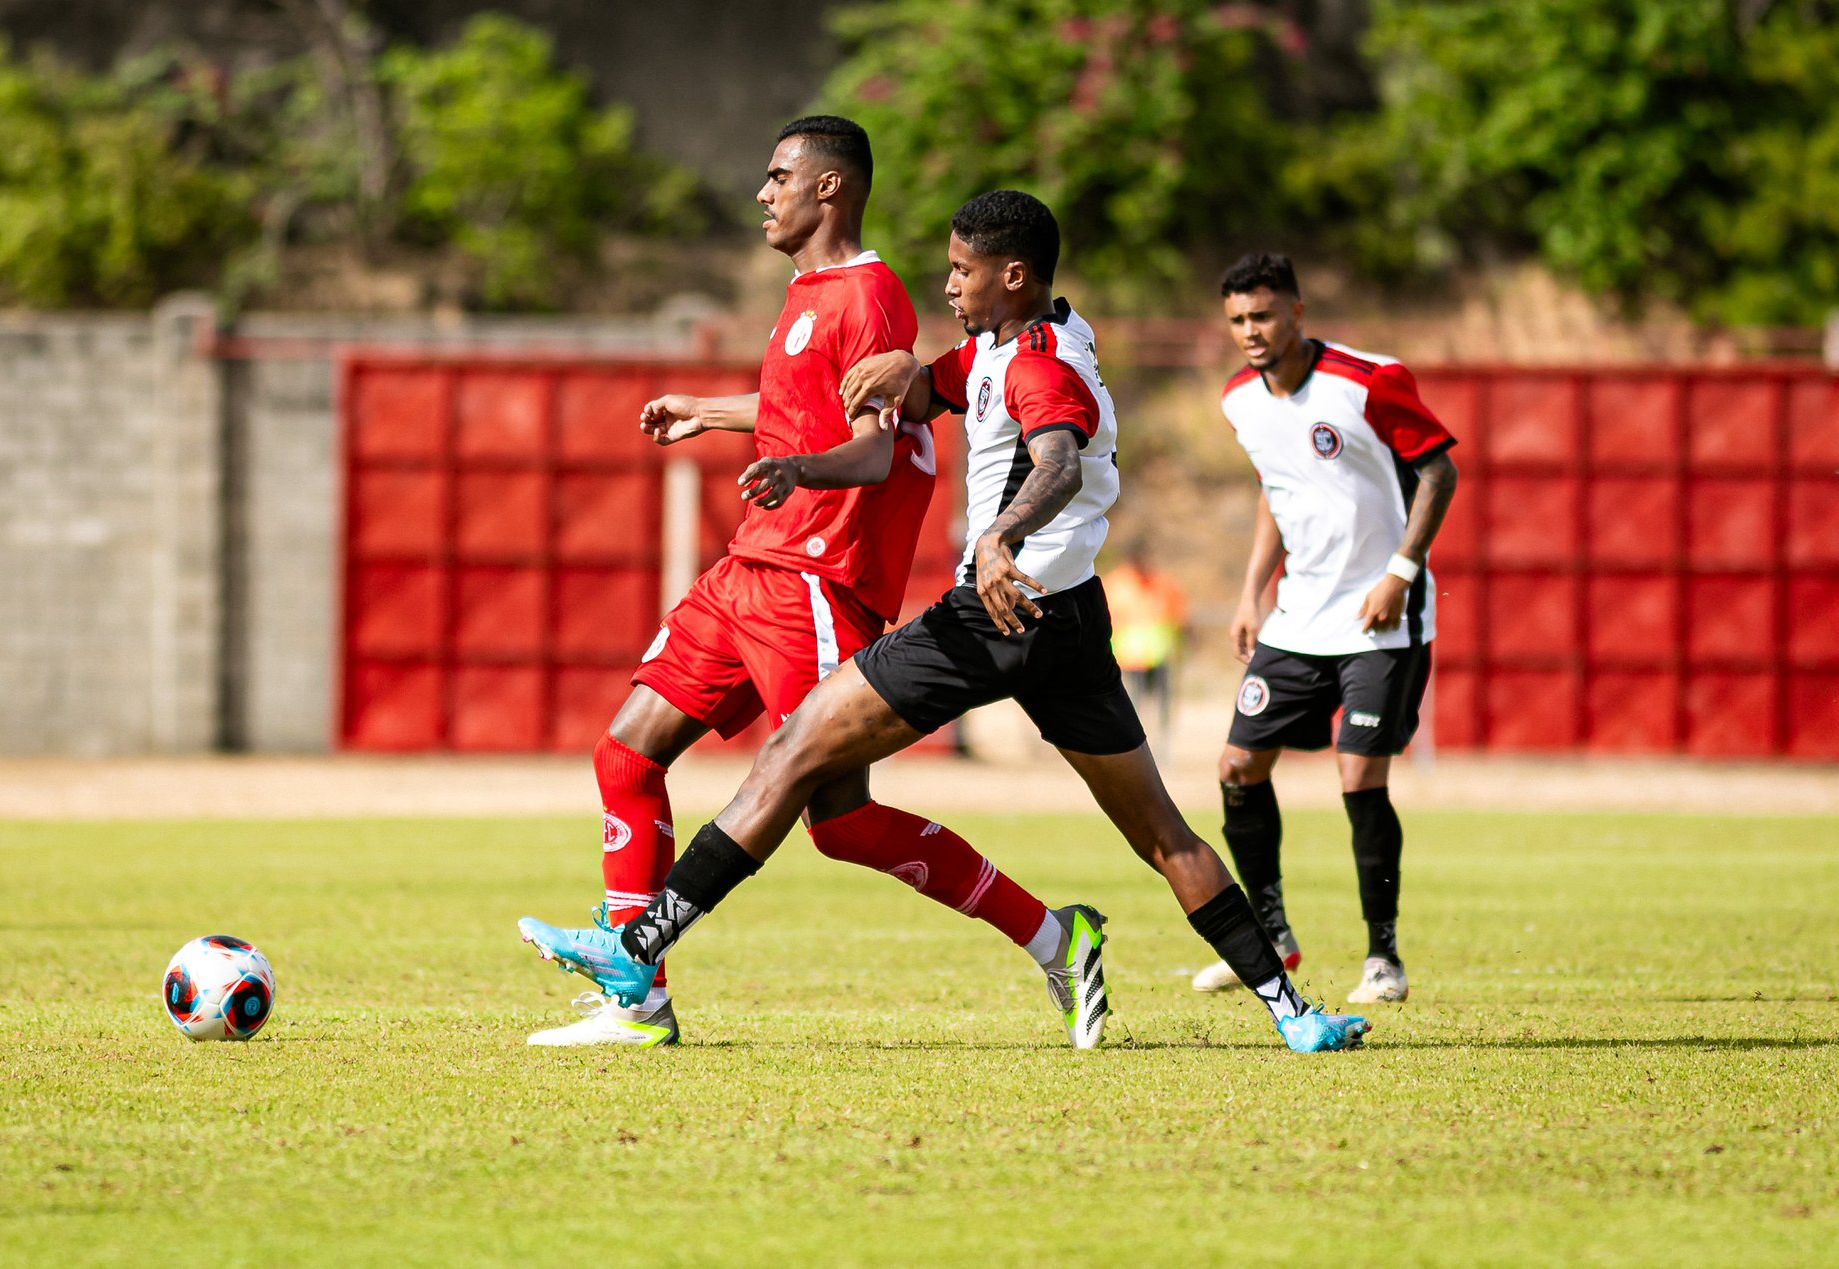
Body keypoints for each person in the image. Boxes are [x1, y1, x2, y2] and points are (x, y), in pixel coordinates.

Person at [519, 192, 1372, 1054]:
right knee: (1161, 833)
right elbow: (943, 389)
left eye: (963, 270)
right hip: (1068, 618)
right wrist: (907, 377)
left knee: (793, 753)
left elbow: (1060, 461)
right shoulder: (1020, 341)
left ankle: (637, 950)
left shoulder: (1040, 366)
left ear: (1013, 275)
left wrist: (1000, 535)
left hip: (990, 615)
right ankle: (1293, 1015)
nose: (949, 282)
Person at [526, 120, 1104, 1049]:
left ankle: (1053, 937)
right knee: (625, 755)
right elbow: (802, 406)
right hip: (748, 566)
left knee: (838, 821)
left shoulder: (870, 297)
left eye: (777, 175)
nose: (763, 192)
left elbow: (874, 450)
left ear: (829, 188)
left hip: (815, 579)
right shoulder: (808, 294)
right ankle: (636, 998)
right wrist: (707, 411)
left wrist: (800, 471)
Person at [1192, 253, 1459, 1007]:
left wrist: (1399, 574)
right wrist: (1250, 592)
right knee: (1238, 766)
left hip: (1382, 619)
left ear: (1297, 314)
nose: (1251, 330)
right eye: (1239, 319)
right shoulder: (1239, 399)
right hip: (1297, 618)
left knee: (1357, 775)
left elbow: (1439, 472)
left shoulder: (1368, 380)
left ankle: (1383, 956)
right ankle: (1274, 936)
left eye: (1264, 315)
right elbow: (1275, 492)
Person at [1102, 553, 1188, 755]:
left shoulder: (1162, 583)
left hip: (1159, 654)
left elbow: (1178, 615)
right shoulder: (1116, 584)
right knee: (1132, 703)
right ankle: (1134, 746)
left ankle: (1162, 745)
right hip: (1129, 658)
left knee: (1162, 703)